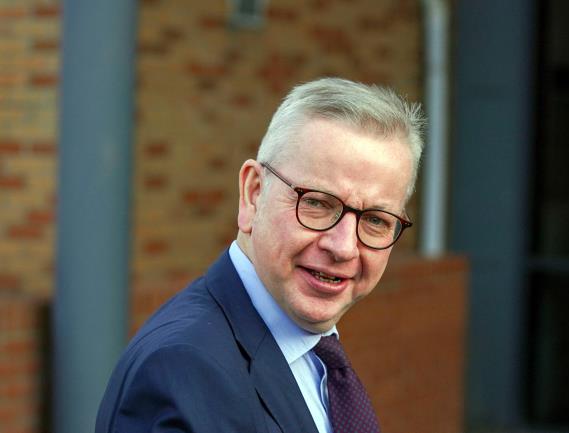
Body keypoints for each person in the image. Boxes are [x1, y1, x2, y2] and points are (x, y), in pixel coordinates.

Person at [95, 77, 425, 433]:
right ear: (253, 194)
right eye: (316, 203)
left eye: (375, 220)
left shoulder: (317, 358)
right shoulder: (182, 370)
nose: (343, 247)